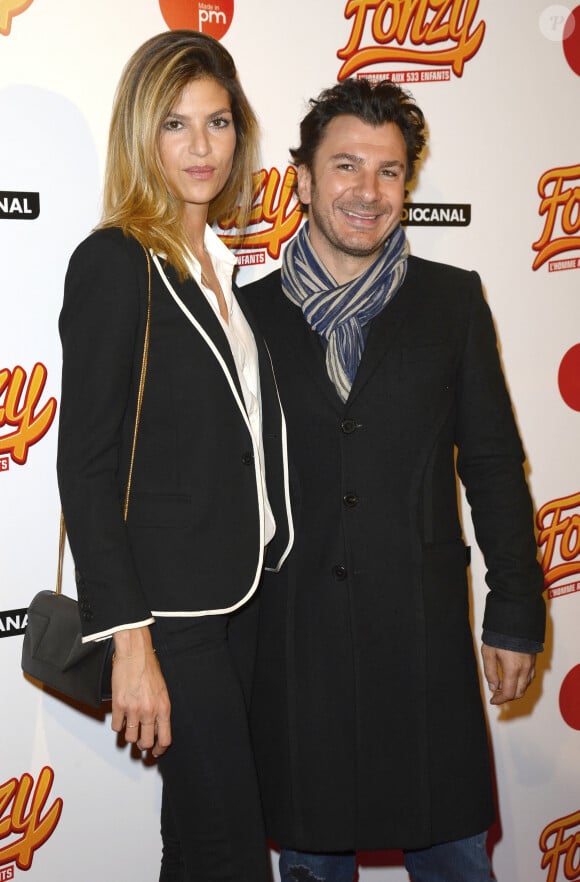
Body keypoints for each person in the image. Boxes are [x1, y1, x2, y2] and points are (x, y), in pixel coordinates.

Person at [245, 78, 545, 882]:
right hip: (296, 645)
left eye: (388, 171)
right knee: (311, 864)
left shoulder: (453, 301)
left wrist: (516, 608)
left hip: (423, 642)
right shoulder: (247, 316)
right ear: (303, 179)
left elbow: (490, 461)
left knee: (455, 860)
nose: (367, 192)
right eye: (345, 166)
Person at [56, 30, 292, 882]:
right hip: (173, 619)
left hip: (249, 596)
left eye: (218, 122)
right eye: (176, 125)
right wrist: (130, 640)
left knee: (200, 843)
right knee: (232, 853)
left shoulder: (228, 271)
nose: (201, 148)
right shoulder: (116, 262)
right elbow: (84, 465)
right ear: (141, 136)